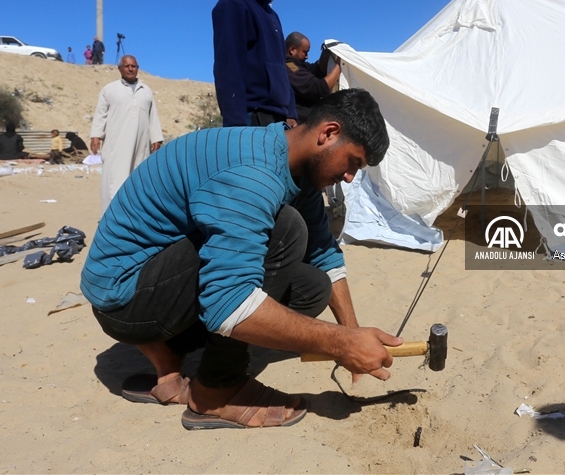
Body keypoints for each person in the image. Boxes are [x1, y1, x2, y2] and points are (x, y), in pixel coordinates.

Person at [80, 89, 396, 430]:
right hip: (123, 297)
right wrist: (340, 343)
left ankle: (168, 356)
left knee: (312, 287)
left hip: (157, 276)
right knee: (286, 230)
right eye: (353, 163)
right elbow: (227, 302)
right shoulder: (253, 172)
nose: (350, 177)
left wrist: (352, 335)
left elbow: (324, 254)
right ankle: (216, 390)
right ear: (329, 133)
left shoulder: (296, 167)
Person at [212, 0, 298, 127]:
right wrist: (235, 127)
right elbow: (228, 67)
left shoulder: (271, 16)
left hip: (278, 118)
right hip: (253, 117)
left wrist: (291, 112)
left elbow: (281, 68)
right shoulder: (234, 4)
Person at [90, 55, 164, 213]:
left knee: (138, 179)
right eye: (127, 66)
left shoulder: (146, 91)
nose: (131, 69)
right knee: (115, 180)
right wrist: (96, 134)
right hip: (116, 143)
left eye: (134, 66)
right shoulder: (109, 90)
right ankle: (111, 217)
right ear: (120, 68)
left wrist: (156, 137)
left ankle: (133, 218)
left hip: (141, 145)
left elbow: (153, 116)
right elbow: (100, 114)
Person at [285, 32, 341, 123]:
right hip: (299, 128)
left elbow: (317, 70)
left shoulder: (298, 66)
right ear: (292, 49)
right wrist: (340, 65)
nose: (307, 56)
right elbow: (319, 89)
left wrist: (326, 51)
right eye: (305, 52)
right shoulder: (290, 67)